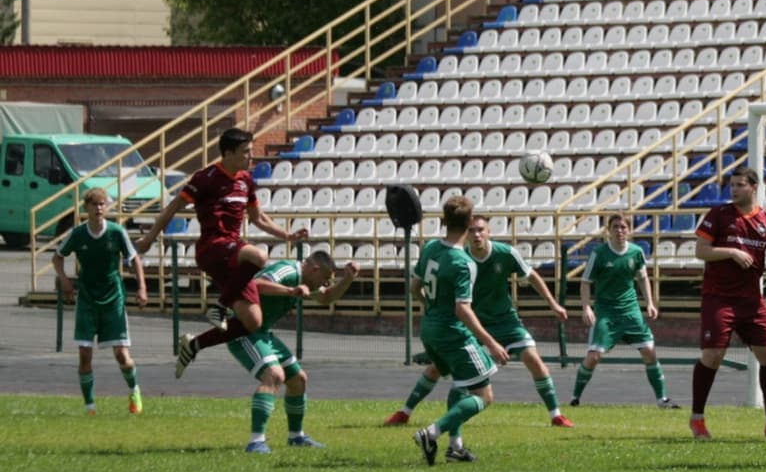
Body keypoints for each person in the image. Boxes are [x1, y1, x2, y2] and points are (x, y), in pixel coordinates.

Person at [134, 127, 308, 378]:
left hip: (233, 256)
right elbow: (173, 206)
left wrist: (287, 235)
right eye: (246, 152)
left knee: (253, 322)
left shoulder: (245, 180)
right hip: (212, 248)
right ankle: (220, 306)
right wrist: (151, 237)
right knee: (259, 257)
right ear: (228, 153)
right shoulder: (205, 178)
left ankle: (194, 345)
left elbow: (258, 218)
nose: (251, 157)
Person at [385, 213, 580, 428]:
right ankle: (405, 412)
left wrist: (553, 304)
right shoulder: (460, 259)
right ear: (465, 234)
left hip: (506, 321)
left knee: (534, 360)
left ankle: (556, 415)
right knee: (436, 368)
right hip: (474, 323)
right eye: (471, 230)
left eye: (481, 230)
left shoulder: (505, 253)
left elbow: (532, 276)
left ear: (489, 233)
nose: (476, 234)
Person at [689, 166, 766, 441]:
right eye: (731, 185)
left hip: (752, 300)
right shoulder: (719, 214)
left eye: (739, 185)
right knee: (713, 356)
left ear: (754, 187)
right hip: (719, 298)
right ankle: (697, 418)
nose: (733, 190)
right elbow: (701, 251)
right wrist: (733, 252)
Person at [411, 195, 510, 465]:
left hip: (429, 329)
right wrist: (490, 342)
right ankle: (431, 433)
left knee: (461, 383)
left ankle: (455, 447)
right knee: (484, 395)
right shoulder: (463, 261)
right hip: (453, 333)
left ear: (443, 221)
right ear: (468, 223)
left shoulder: (430, 247)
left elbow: (413, 287)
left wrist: (431, 306)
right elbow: (462, 310)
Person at [230, 250, 358, 453]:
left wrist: (347, 280)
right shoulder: (287, 271)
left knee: (298, 379)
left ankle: (296, 437)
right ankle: (256, 441)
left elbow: (325, 298)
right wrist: (289, 291)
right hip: (241, 328)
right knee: (274, 375)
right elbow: (255, 285)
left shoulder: (304, 281)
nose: (324, 284)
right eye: (324, 278)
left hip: (261, 332)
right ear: (314, 269)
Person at [569, 212, 677, 411]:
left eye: (623, 227)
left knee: (650, 353)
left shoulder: (636, 252)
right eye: (615, 227)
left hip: (631, 312)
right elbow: (585, 282)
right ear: (608, 231)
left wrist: (650, 303)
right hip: (607, 314)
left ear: (629, 230)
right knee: (593, 357)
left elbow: (643, 278)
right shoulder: (599, 253)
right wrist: (586, 307)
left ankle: (662, 399)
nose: (619, 230)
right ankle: (575, 397)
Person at [54, 186, 148, 415]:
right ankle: (90, 406)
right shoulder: (77, 234)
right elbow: (57, 258)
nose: (99, 208)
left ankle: (134, 389)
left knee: (122, 355)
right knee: (85, 354)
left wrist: (142, 287)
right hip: (87, 298)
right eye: (94, 204)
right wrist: (65, 279)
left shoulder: (116, 232)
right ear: (86, 207)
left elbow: (134, 259)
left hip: (113, 298)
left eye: (102, 204)